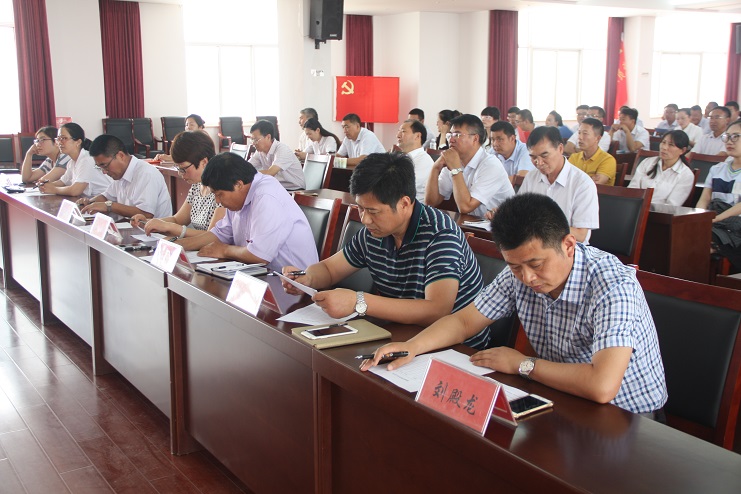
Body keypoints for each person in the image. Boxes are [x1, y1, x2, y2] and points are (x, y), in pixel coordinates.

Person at [361, 193, 668, 417]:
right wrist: (412, 347)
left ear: (568, 245)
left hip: (628, 417)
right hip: (562, 396)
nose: (528, 278)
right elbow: (464, 322)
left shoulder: (613, 287)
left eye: (536, 264)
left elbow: (602, 386)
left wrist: (523, 364)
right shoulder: (518, 273)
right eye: (515, 266)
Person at [281, 152, 490, 347]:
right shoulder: (374, 232)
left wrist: (358, 301)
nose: (365, 219)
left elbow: (437, 310)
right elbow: (329, 269)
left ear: (404, 204)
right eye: (360, 208)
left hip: (457, 347)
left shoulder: (440, 234)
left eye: (373, 211)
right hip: (402, 333)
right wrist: (307, 278)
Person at [177, 153, 317, 271]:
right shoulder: (238, 198)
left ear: (238, 184)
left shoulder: (266, 196)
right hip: (260, 273)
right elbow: (221, 233)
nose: (217, 201)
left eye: (219, 194)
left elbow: (259, 255)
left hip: (293, 283)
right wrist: (180, 245)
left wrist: (224, 250)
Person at [131, 131, 225, 238]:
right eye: (178, 168)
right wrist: (147, 222)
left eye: (183, 168)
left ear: (204, 162)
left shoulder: (222, 190)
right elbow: (177, 219)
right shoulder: (197, 186)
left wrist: (170, 227)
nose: (180, 173)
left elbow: (211, 237)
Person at [515, 126, 599, 243]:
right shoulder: (531, 177)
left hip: (567, 247)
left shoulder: (583, 184)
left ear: (560, 149)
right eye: (533, 157)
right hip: (534, 243)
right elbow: (518, 212)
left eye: (544, 155)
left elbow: (581, 235)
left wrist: (542, 225)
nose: (539, 163)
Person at [425, 114, 514, 217]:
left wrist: (455, 169)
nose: (451, 140)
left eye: (457, 135)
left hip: (501, 224)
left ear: (475, 139)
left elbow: (465, 207)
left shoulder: (491, 165)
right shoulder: (454, 161)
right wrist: (435, 168)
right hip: (473, 223)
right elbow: (431, 202)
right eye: (450, 135)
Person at [78, 135, 172, 218]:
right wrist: (89, 203)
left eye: (105, 166)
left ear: (120, 156)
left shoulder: (146, 173)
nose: (104, 172)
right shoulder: (119, 174)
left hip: (152, 232)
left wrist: (109, 206)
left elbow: (146, 214)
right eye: (99, 167)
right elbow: (106, 197)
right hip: (129, 228)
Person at [701, 121, 741, 271]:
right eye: (727, 137)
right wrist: (700, 217)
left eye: (735, 137)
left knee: (700, 240)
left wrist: (716, 219)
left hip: (735, 224)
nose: (729, 141)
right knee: (687, 232)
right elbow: (705, 198)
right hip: (714, 219)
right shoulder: (717, 169)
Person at [38, 123, 113, 197]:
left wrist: (54, 189)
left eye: (64, 138)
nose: (60, 142)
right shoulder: (72, 162)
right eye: (58, 139)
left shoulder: (87, 159)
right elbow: (63, 182)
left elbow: (75, 191)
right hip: (90, 200)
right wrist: (46, 186)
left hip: (105, 201)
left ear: (78, 142)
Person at [629, 130, 695, 206]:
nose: (664, 147)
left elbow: (672, 205)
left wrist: (646, 209)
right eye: (663, 142)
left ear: (682, 150)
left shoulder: (686, 175)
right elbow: (632, 190)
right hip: (634, 208)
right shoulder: (647, 162)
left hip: (659, 212)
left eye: (671, 145)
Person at [248, 119, 305, 190]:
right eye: (252, 139)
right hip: (278, 188)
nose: (253, 143)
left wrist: (249, 174)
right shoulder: (260, 152)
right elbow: (246, 167)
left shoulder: (282, 149)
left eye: (256, 140)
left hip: (294, 189)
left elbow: (270, 173)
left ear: (268, 137)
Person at [568, 118, 616, 186]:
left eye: (585, 133)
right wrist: (589, 178)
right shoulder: (574, 157)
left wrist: (574, 178)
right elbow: (565, 179)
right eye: (579, 133)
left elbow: (594, 184)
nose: (580, 137)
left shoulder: (607, 160)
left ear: (598, 138)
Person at [396, 119, 433, 201]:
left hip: (412, 206)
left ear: (417, 136)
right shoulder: (401, 157)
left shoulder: (424, 161)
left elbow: (403, 187)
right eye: (398, 131)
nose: (398, 135)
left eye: (403, 131)